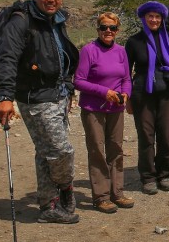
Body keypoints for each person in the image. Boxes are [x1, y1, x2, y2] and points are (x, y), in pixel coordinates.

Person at [0, 0, 80, 224]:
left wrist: (69, 87)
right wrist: (5, 97)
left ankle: (48, 206)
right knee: (61, 150)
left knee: (45, 152)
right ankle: (65, 190)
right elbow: (7, 58)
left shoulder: (56, 21)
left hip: (58, 94)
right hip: (36, 97)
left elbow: (61, 57)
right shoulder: (21, 21)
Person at [73, 12, 134, 213]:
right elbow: (79, 80)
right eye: (104, 27)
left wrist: (125, 94)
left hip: (116, 108)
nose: (108, 31)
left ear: (118, 30)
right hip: (94, 109)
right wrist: (104, 92)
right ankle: (101, 196)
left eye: (112, 28)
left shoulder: (121, 51)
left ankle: (117, 192)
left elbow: (126, 77)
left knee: (116, 149)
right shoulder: (88, 50)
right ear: (97, 29)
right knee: (97, 150)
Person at [125, 1, 169, 195]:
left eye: (158, 16)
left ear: (162, 18)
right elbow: (126, 72)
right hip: (142, 94)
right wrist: (128, 98)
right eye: (150, 16)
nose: (154, 20)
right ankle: (148, 176)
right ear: (143, 18)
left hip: (168, 93)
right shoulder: (134, 41)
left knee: (166, 135)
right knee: (146, 136)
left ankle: (164, 174)